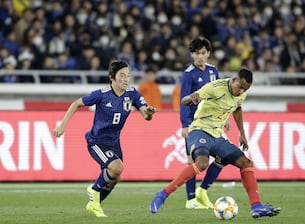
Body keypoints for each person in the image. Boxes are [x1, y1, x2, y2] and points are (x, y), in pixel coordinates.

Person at [150, 68, 281, 219]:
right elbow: (184, 101)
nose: (241, 92)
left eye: (246, 89)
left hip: (217, 136)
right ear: (233, 80)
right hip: (199, 130)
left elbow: (237, 109)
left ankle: (256, 207)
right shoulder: (214, 88)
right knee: (202, 163)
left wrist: (242, 133)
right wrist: (192, 98)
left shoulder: (241, 94)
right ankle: (163, 194)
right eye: (240, 87)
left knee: (246, 163)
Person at [53, 60, 157, 217]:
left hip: (114, 142)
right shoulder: (101, 94)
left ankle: (94, 204)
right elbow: (76, 104)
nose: (125, 79)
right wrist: (63, 125)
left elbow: (145, 115)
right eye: (121, 75)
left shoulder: (132, 93)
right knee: (116, 168)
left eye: (128, 75)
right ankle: (93, 190)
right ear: (112, 77)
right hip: (96, 141)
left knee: (115, 177)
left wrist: (149, 113)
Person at [179, 36, 223, 209]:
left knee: (220, 157)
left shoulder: (213, 71)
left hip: (212, 123)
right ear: (192, 55)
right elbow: (183, 100)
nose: (200, 57)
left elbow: (219, 96)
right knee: (192, 161)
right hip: (195, 124)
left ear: (208, 54)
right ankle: (190, 200)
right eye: (197, 53)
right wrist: (185, 124)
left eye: (203, 53)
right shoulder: (189, 74)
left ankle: (202, 191)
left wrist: (223, 118)